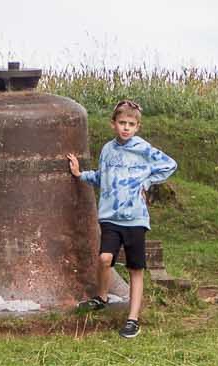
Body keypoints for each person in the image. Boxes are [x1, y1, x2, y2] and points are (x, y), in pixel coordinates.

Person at [66, 98, 178, 338]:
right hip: (110, 217)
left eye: (131, 124)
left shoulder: (143, 149)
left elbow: (169, 165)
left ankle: (132, 319)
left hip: (135, 219)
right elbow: (102, 177)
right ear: (113, 124)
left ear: (137, 127)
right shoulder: (108, 150)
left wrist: (147, 181)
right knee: (105, 259)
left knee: (135, 268)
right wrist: (79, 174)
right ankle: (102, 297)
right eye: (122, 123)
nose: (126, 128)